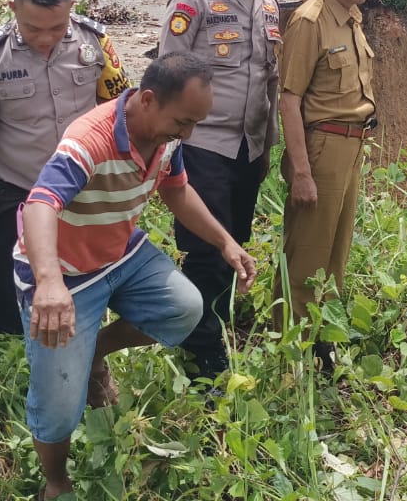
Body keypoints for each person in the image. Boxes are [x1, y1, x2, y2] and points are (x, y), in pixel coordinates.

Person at [19, 52, 258, 500]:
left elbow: (177, 189)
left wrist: (226, 242)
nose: (187, 134)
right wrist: (49, 281)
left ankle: (93, 353)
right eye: (183, 122)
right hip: (65, 272)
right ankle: (56, 482)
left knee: (185, 307)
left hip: (120, 254)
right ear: (148, 100)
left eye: (194, 124)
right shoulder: (89, 139)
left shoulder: (167, 137)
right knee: (58, 404)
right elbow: (40, 203)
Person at [0, 0, 130, 341]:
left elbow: (120, 113)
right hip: (18, 198)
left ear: (71, 7)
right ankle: (6, 373)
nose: (45, 39)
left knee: (85, 289)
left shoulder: (95, 45)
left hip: (83, 197)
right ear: (13, 9)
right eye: (33, 28)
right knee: (12, 301)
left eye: (57, 28)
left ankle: (86, 365)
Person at [158, 0, 280, 377]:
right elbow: (167, 78)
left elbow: (269, 85)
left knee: (235, 245)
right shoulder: (195, 3)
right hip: (203, 147)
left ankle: (215, 330)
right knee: (206, 255)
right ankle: (203, 361)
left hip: (247, 151)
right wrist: (168, 148)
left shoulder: (268, 6)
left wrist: (267, 148)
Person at [275, 0, 382, 369]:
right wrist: (301, 171)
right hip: (322, 148)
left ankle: (321, 341)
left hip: (350, 147)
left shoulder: (351, 17)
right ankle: (292, 352)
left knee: (335, 252)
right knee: (306, 252)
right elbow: (289, 99)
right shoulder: (310, 20)